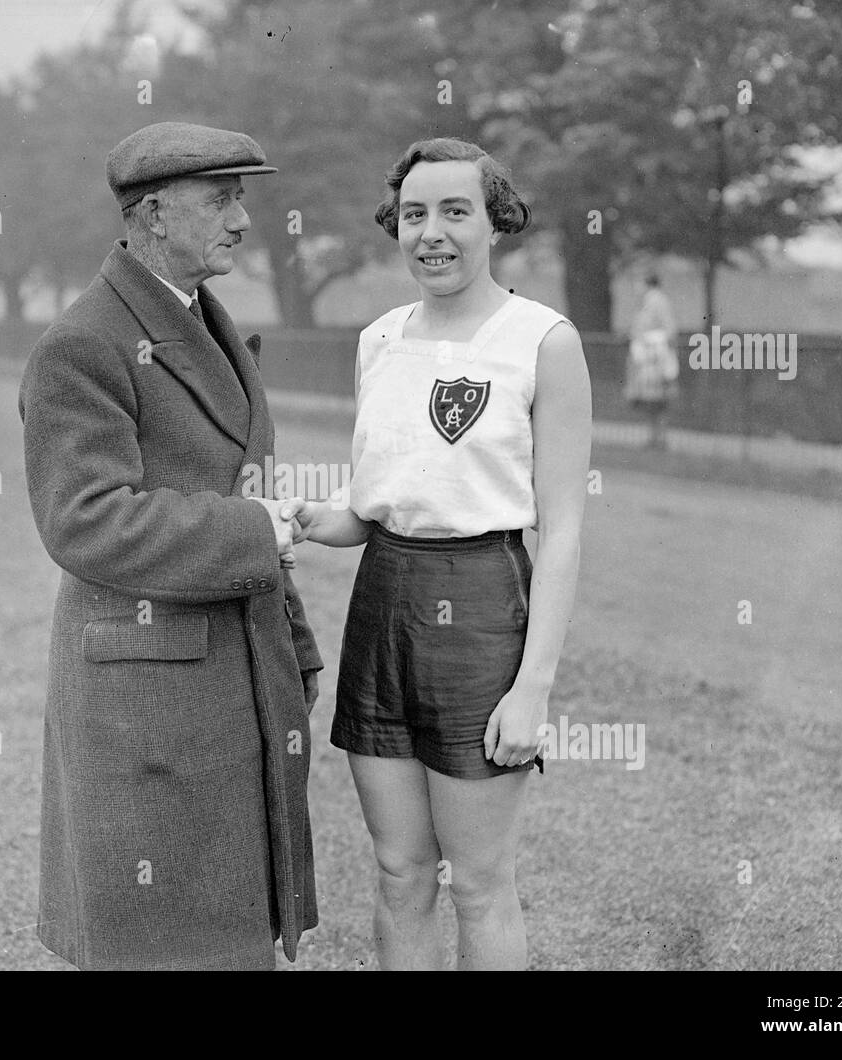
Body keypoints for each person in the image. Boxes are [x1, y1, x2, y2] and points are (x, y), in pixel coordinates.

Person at [18, 121, 323, 970]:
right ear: (153, 213)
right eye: (221, 200)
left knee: (224, 940)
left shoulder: (205, 319)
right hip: (144, 702)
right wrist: (254, 532)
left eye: (242, 198)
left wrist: (293, 646)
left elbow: (240, 489)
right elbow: (83, 518)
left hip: (226, 670)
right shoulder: (85, 343)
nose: (241, 220)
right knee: (159, 947)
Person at [296, 137, 591, 970]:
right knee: (399, 870)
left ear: (494, 222)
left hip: (484, 609)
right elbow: (378, 503)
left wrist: (532, 687)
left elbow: (561, 530)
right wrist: (316, 519)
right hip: (383, 599)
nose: (433, 232)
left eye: (455, 211)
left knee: (480, 883)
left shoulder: (543, 340)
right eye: (415, 213)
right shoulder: (379, 340)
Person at [624, 273, 679, 448]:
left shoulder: (657, 301)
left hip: (654, 358)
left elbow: (668, 329)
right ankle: (654, 437)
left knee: (658, 399)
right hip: (646, 358)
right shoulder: (646, 302)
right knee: (650, 399)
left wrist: (651, 341)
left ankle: (660, 437)